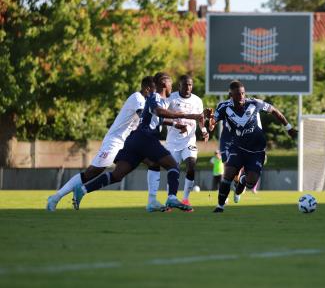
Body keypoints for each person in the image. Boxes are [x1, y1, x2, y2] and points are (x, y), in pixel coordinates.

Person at [71, 74, 205, 212]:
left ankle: (82, 190)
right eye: (171, 83)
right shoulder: (154, 96)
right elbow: (158, 112)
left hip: (135, 140)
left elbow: (157, 117)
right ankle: (171, 198)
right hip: (145, 138)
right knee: (172, 165)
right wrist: (188, 116)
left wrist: (176, 125)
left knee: (118, 175)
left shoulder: (163, 99)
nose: (173, 87)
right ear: (164, 84)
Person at [46, 76, 154, 211]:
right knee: (93, 171)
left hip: (127, 143)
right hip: (115, 141)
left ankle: (153, 201)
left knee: (148, 163)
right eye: (154, 91)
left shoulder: (146, 101)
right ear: (147, 89)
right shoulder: (138, 98)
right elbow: (143, 116)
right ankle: (56, 197)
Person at [209, 80, 297, 213]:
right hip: (237, 148)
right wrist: (207, 123)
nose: (241, 97)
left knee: (251, 182)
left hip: (256, 151)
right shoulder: (223, 107)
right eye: (237, 94)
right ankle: (220, 206)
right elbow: (212, 123)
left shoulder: (255, 103)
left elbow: (274, 110)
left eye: (243, 94)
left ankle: (243, 181)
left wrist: (288, 127)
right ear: (230, 95)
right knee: (228, 175)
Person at [164, 75, 208, 206]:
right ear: (179, 86)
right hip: (172, 142)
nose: (188, 87)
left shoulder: (197, 100)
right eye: (185, 85)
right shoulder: (171, 98)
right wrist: (175, 124)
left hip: (189, 141)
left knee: (191, 165)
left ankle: (185, 199)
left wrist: (204, 131)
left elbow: (200, 119)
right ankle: (171, 199)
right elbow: (162, 116)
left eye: (190, 85)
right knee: (173, 171)